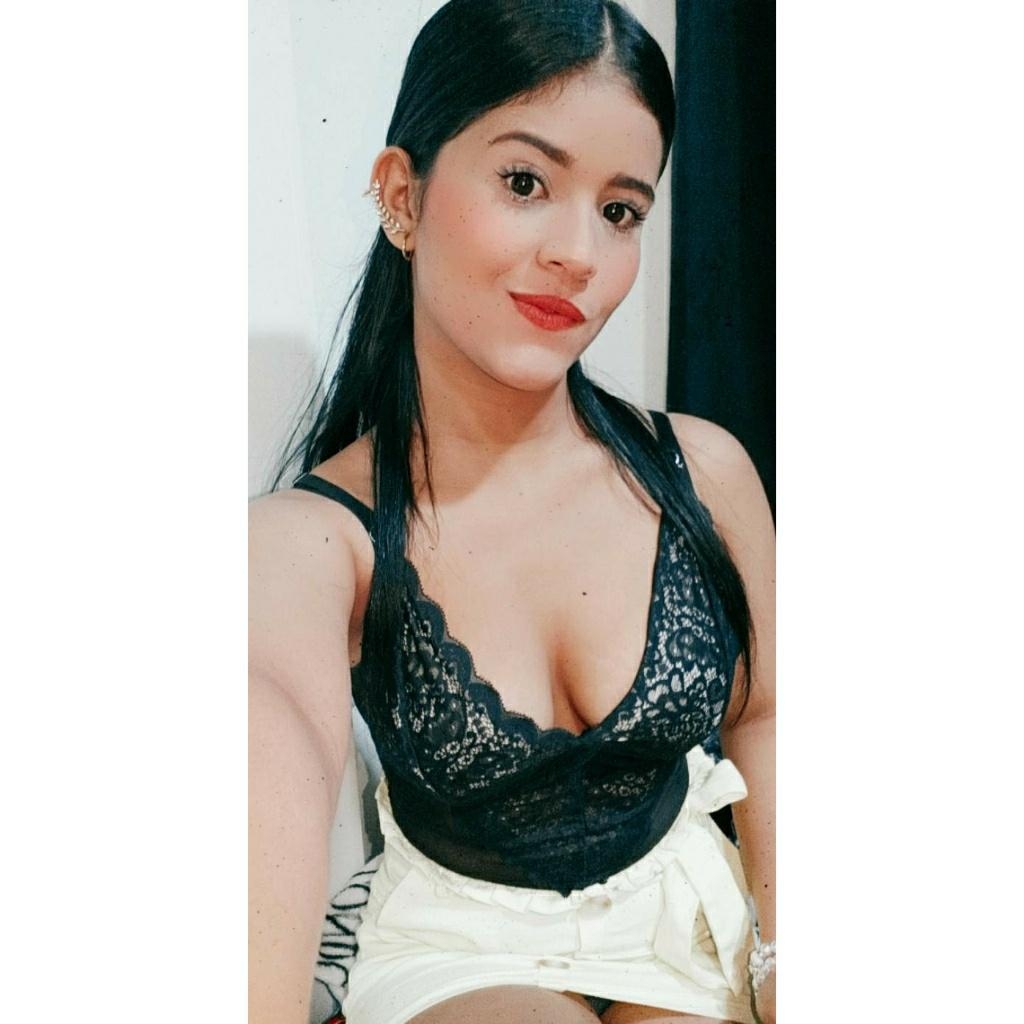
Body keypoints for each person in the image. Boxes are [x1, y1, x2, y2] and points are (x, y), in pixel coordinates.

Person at [249, 2, 776, 1023]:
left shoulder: (702, 472)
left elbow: (767, 716)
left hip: (685, 910)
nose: (580, 253)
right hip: (459, 947)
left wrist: (785, 947)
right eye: (526, 182)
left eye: (620, 210)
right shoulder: (313, 540)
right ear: (402, 196)